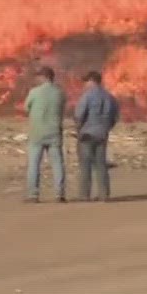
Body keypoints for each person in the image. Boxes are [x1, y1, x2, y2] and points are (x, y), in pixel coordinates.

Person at [73, 70, 122, 202]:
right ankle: (104, 194)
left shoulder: (87, 96)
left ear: (92, 81)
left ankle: (84, 195)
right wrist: (106, 128)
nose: (85, 84)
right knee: (101, 164)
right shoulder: (110, 97)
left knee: (85, 165)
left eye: (86, 81)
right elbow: (115, 116)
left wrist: (79, 128)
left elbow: (79, 114)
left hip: (87, 134)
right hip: (102, 134)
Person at [23, 65, 67, 203]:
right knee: (57, 163)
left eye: (39, 76)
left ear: (44, 77)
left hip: (37, 132)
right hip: (54, 132)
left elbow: (26, 108)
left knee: (34, 164)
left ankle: (33, 194)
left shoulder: (34, 92)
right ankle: (59, 194)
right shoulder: (59, 93)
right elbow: (62, 108)